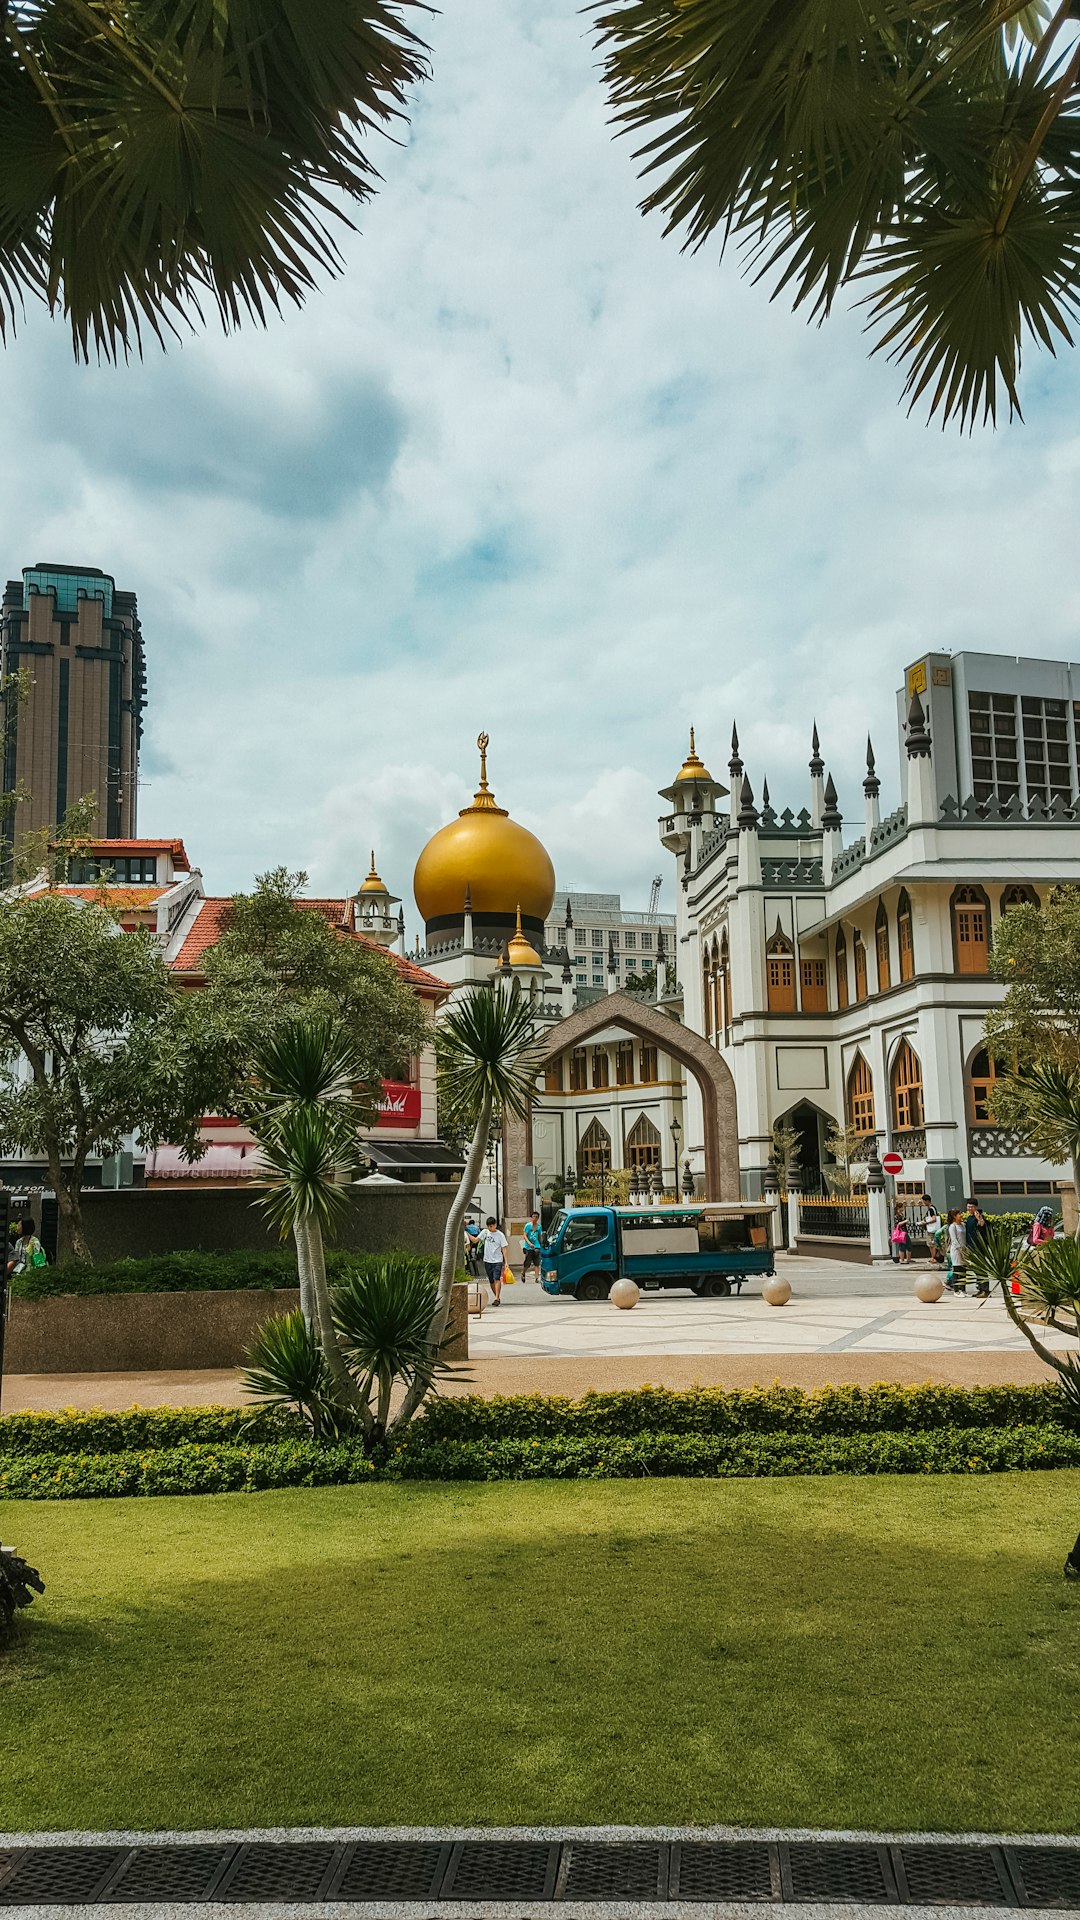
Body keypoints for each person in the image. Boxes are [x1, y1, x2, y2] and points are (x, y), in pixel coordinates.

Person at [480, 1215, 508, 1305]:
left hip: (497, 1260)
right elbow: (476, 1240)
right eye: (489, 1226)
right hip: (487, 1260)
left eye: (492, 1226)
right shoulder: (485, 1232)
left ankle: (497, 1297)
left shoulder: (500, 1235)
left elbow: (504, 1248)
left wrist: (506, 1261)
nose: (490, 1228)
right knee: (491, 1280)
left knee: (497, 1278)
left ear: (495, 1225)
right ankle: (497, 1297)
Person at [946, 1209, 968, 1292]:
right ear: (954, 1216)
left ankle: (963, 1289)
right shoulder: (952, 1226)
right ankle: (956, 1290)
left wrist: (965, 1249)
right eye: (959, 1214)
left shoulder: (963, 1225)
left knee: (963, 1270)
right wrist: (959, 1249)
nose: (961, 1215)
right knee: (957, 1269)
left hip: (964, 1249)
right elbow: (954, 1240)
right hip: (956, 1250)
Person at [522, 1211, 543, 1282]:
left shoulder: (539, 1227)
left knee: (537, 1262)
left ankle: (536, 1278)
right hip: (528, 1246)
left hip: (536, 1246)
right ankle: (523, 1272)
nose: (535, 1218)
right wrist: (529, 1243)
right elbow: (525, 1235)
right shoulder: (528, 1226)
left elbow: (540, 1236)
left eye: (536, 1217)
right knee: (527, 1262)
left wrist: (541, 1244)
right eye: (533, 1216)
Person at [922, 1195, 943, 1264]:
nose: (923, 1203)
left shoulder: (931, 1209)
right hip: (933, 1229)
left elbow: (934, 1219)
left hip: (932, 1229)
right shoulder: (932, 1208)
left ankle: (933, 1257)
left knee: (932, 1244)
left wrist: (926, 1222)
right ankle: (934, 1257)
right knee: (932, 1244)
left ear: (927, 1201)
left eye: (924, 1201)